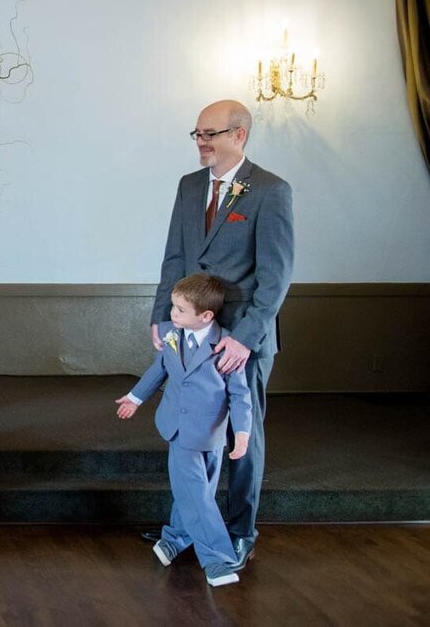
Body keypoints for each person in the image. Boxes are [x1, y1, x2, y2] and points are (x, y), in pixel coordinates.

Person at [143, 99, 294, 572]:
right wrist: (161, 317)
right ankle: (193, 521)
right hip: (189, 334)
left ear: (239, 135)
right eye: (197, 134)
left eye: (211, 133)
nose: (202, 142)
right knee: (193, 429)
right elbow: (175, 258)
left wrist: (245, 337)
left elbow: (276, 277)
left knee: (242, 438)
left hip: (241, 338)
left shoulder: (271, 190)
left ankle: (240, 529)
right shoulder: (189, 187)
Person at [116, 273, 252, 588]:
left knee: (197, 492)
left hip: (212, 433)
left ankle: (175, 538)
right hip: (178, 430)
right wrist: (135, 397)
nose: (172, 314)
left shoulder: (227, 346)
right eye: (173, 308)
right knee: (196, 494)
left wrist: (242, 433)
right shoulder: (171, 335)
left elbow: (240, 395)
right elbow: (158, 370)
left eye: (179, 310)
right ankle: (218, 558)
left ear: (206, 316)